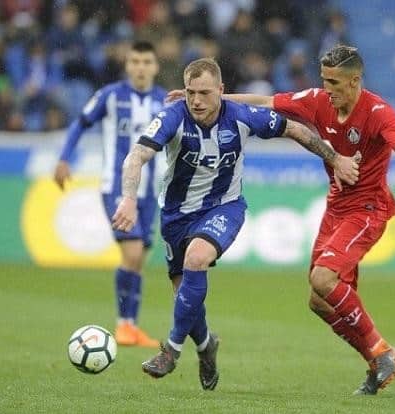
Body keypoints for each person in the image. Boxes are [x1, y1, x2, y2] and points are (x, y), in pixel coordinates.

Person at [186, 45, 395, 395]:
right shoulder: (317, 100)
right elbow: (265, 103)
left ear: (355, 80)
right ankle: (377, 363)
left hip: (367, 210)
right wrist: (214, 99)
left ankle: (382, 350)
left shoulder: (377, 111)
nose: (326, 88)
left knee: (323, 278)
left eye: (334, 82)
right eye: (324, 79)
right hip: (336, 209)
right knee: (318, 300)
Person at [111, 57, 359, 391]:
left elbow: (295, 129)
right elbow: (136, 156)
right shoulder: (172, 117)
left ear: (221, 91)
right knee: (186, 296)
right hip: (175, 215)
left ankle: (170, 350)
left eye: (204, 93)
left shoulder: (241, 116)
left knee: (196, 258)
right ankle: (205, 346)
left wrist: (336, 159)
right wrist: (127, 197)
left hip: (224, 208)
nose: (196, 100)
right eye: (190, 92)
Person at [54, 41, 166, 348]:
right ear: (127, 65)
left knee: (140, 258)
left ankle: (131, 326)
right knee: (130, 254)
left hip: (150, 191)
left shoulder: (164, 101)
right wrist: (64, 158)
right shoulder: (111, 96)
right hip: (117, 188)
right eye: (135, 61)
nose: (141, 67)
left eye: (146, 61)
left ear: (155, 66)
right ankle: (123, 324)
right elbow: (81, 123)